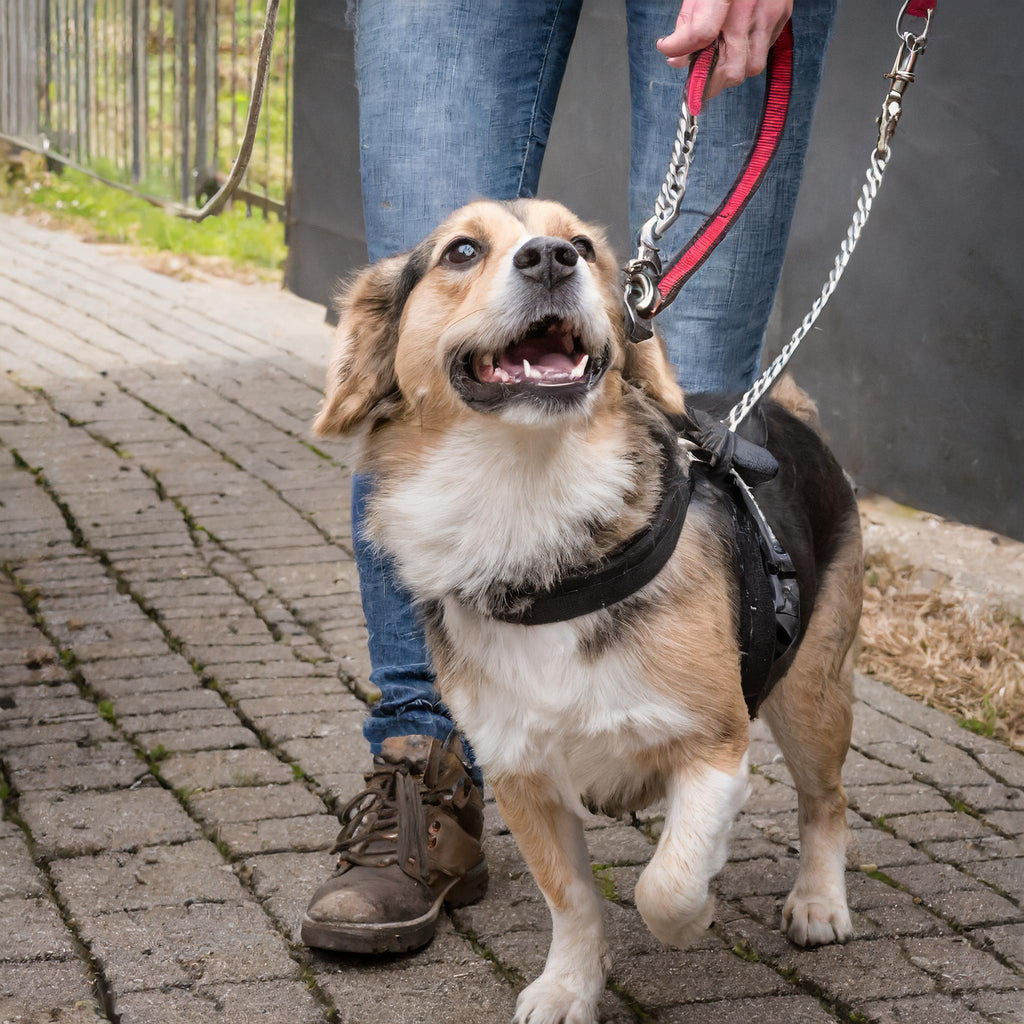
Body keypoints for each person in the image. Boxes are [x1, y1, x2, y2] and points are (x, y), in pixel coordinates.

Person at [301, 0, 838, 955]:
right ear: (378, 346)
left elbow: (681, 397)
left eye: (572, 249)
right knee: (429, 189)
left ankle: (707, 728)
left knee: (716, 403)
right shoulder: (400, 337)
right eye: (466, 255)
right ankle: (426, 763)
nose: (545, 257)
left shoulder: (625, 360)